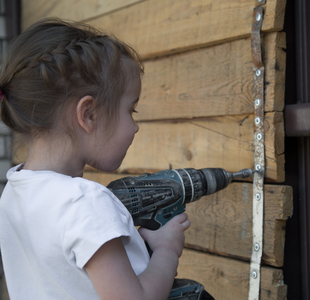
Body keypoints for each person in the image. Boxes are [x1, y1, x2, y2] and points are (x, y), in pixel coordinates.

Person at [0, 18, 190, 299]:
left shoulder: (13, 193)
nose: (134, 126)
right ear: (89, 114)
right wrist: (166, 251)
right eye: (131, 110)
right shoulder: (84, 202)